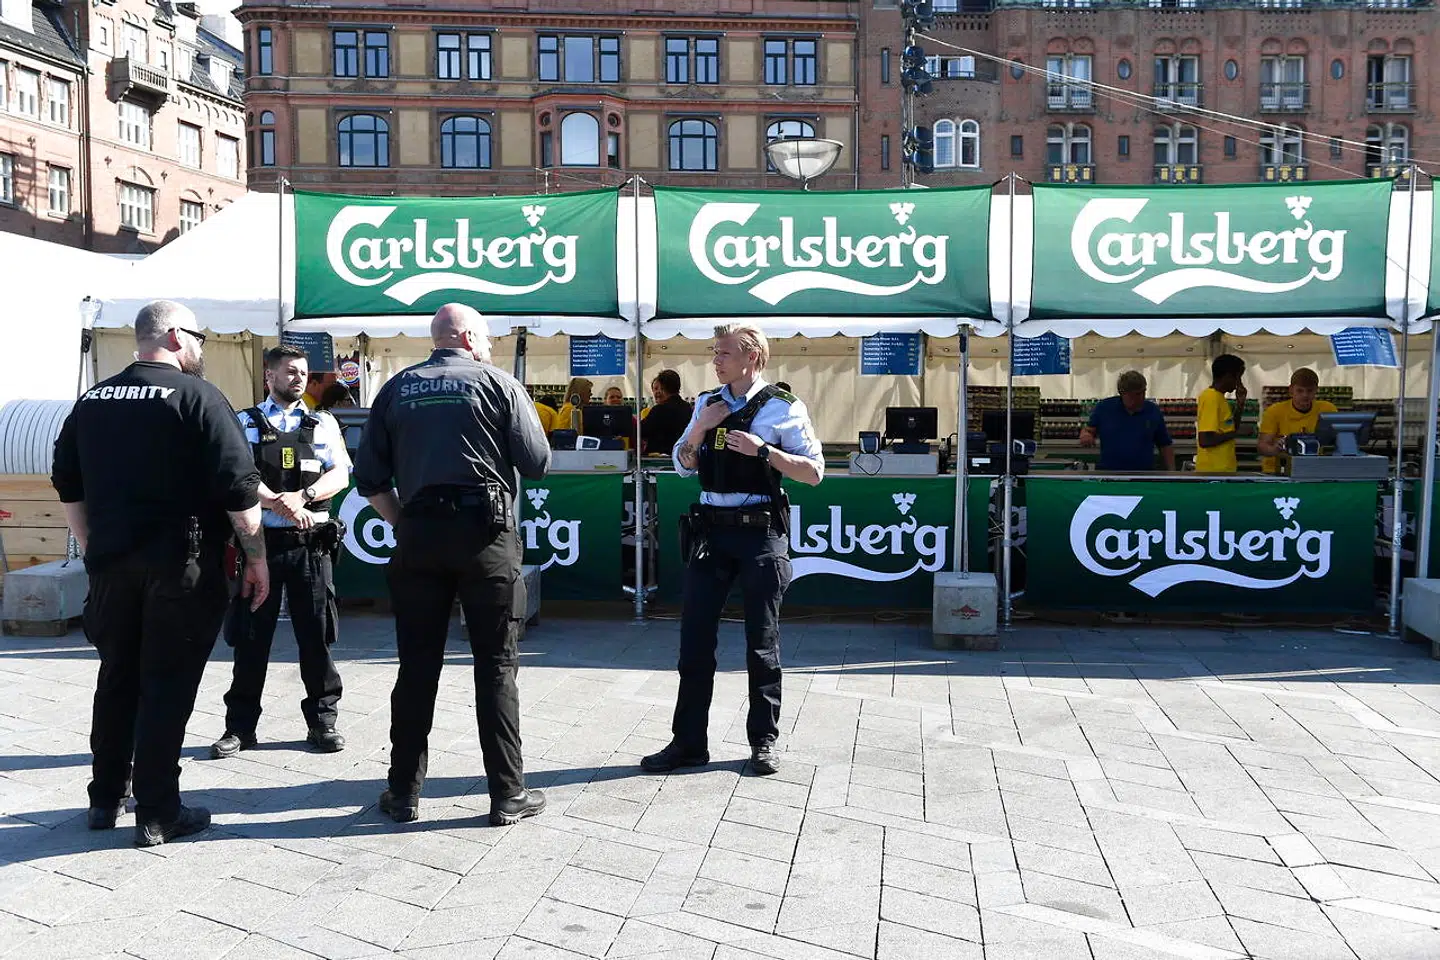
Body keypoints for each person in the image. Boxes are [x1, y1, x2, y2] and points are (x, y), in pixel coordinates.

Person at [51, 300, 268, 847]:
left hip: (112, 565)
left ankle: (105, 797)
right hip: (181, 565)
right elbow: (240, 491)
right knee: (166, 683)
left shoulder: (93, 399)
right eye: (198, 336)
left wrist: (93, 546)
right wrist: (257, 559)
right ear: (174, 336)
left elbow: (67, 481)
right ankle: (157, 810)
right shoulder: (198, 396)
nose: (201, 346)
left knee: (117, 677)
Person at [354, 303, 551, 826]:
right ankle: (507, 794)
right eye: (485, 338)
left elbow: (369, 478)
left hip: (419, 534)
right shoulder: (499, 383)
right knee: (496, 665)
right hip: (486, 535)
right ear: (466, 337)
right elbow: (536, 463)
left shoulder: (396, 388)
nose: (489, 347)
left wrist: (405, 523)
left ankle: (403, 792)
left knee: (417, 666)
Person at [643, 325, 823, 778]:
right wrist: (700, 427)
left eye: (723, 353)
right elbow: (683, 466)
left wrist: (766, 452)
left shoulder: (783, 407)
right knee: (694, 643)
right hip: (711, 533)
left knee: (762, 643)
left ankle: (764, 741)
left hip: (760, 533)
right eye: (715, 352)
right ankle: (688, 743)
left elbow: (814, 472)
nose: (715, 360)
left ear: (752, 358)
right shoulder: (706, 403)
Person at [210, 345, 352, 761]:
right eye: (290, 371)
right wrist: (275, 501)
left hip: (311, 545)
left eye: (303, 372)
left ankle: (323, 722)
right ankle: (240, 727)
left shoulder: (323, 422)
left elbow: (340, 473)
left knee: (317, 636)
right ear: (269, 376)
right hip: (261, 546)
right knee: (251, 639)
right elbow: (236, 476)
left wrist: (302, 497)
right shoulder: (244, 422)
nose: (299, 378)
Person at [1078, 371, 1176, 472]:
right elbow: (1089, 430)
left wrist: (1172, 472)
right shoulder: (1104, 408)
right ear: (1122, 393)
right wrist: (1085, 435)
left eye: (1143, 392)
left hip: (1144, 474)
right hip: (1109, 473)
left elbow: (1165, 444)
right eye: (1136, 395)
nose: (1141, 398)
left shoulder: (1152, 410)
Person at [1257, 368, 1337, 474]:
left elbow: (1337, 440)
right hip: (1278, 472)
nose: (1305, 395)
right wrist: (1275, 449)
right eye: (1300, 390)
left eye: (1309, 391)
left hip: (1317, 470)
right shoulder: (1274, 411)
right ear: (1291, 390)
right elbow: (1262, 446)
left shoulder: (1328, 409)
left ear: (1316, 390)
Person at [1196, 354, 1248, 473]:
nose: (1239, 383)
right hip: (1213, 472)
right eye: (1238, 378)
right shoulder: (1211, 398)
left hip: (1222, 470)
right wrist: (1236, 433)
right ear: (1228, 376)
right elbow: (1205, 440)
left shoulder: (1219, 398)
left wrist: (1240, 405)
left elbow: (1230, 428)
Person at [641, 369, 693, 456]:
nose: (657, 392)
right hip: (682, 457)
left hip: (660, 458)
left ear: (663, 387)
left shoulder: (660, 410)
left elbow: (640, 431)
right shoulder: (688, 408)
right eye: (654, 389)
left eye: (659, 388)